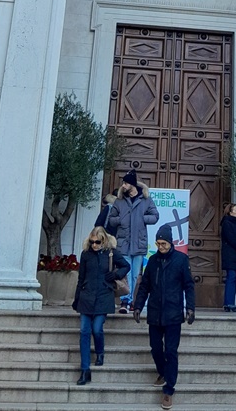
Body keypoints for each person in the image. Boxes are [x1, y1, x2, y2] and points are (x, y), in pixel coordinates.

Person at [133, 223, 195, 411]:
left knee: (170, 351)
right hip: (154, 313)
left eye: (164, 244)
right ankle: (163, 371)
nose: (161, 247)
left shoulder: (181, 260)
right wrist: (138, 306)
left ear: (170, 242)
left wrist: (190, 308)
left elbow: (189, 285)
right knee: (155, 348)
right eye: (158, 243)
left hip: (174, 314)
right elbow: (145, 286)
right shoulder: (152, 261)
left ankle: (168, 390)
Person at [72, 225, 129, 386]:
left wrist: (116, 274)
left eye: (97, 242)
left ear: (103, 241)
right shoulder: (86, 255)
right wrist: (76, 299)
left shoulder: (111, 253)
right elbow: (80, 277)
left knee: (97, 329)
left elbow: (126, 266)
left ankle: (100, 352)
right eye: (92, 242)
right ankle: (85, 370)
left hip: (104, 295)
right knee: (84, 331)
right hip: (86, 296)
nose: (94, 245)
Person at [107, 170, 159, 313]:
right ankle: (125, 301)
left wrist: (142, 218)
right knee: (126, 273)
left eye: (126, 183)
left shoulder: (146, 200)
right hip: (124, 243)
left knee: (136, 275)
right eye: (123, 183)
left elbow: (155, 216)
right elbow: (111, 219)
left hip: (139, 243)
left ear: (132, 184)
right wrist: (121, 220)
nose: (123, 186)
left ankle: (133, 301)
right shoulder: (119, 201)